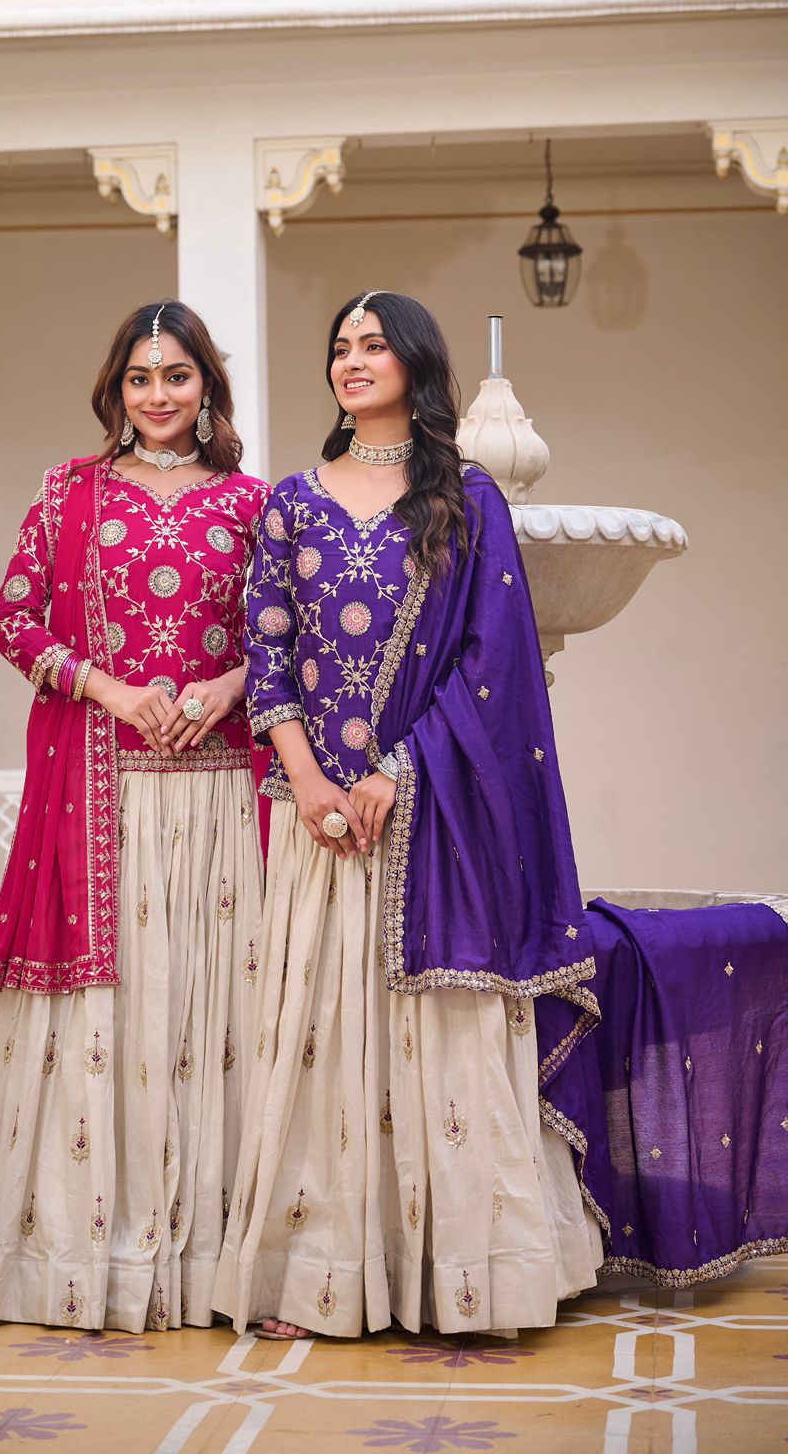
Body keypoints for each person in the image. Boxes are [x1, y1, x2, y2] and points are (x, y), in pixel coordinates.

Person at [213, 290, 604, 1340]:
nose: (350, 360)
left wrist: (394, 770)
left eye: (372, 344)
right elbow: (268, 655)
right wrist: (304, 781)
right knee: (317, 1043)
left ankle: (459, 1279)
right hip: (317, 827)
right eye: (338, 345)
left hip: (431, 819)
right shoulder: (289, 503)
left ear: (414, 363)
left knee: (437, 1041)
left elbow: (491, 664)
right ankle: (314, 1276)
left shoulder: (464, 500)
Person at [0, 301, 269, 1332]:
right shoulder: (65, 493)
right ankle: (85, 1255)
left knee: (218, 1014)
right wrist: (112, 690)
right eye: (138, 378)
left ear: (206, 385)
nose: (157, 395)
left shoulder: (259, 503)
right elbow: (12, 620)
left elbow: (288, 638)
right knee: (109, 1019)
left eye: (175, 376)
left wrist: (227, 684)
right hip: (102, 797)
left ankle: (217, 1255)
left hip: (217, 793)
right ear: (115, 390)